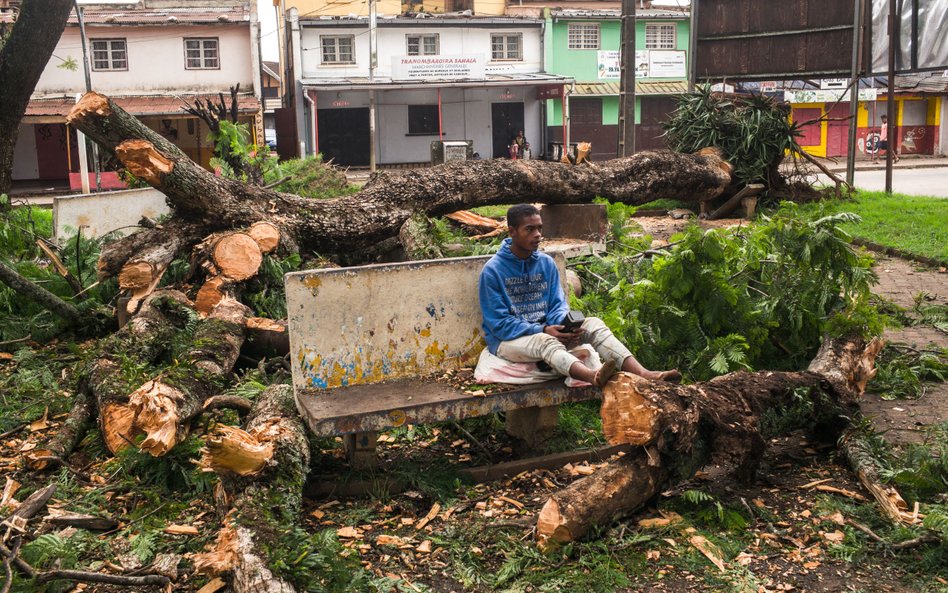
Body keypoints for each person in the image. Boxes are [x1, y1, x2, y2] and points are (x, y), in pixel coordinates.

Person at [478, 204, 681, 388]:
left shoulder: (546, 264)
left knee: (594, 324)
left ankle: (644, 374)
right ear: (512, 231)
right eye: (529, 229)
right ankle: (593, 376)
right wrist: (543, 329)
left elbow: (557, 305)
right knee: (544, 341)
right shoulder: (493, 271)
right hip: (507, 342)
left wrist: (565, 326)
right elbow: (499, 324)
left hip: (547, 332)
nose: (538, 234)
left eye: (540, 228)